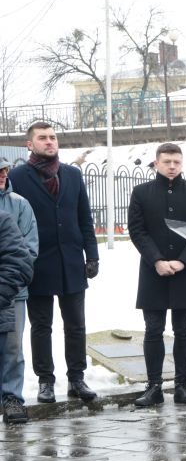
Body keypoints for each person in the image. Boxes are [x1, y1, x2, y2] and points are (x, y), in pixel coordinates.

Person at [9, 122, 99, 404]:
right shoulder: (18, 177)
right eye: (42, 138)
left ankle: (77, 379)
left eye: (52, 137)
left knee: (76, 325)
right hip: (37, 263)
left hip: (71, 260)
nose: (49, 142)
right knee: (41, 326)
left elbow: (84, 216)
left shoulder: (72, 174)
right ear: (30, 144)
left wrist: (92, 254)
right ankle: (45, 381)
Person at [127, 143, 186, 407]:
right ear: (157, 163)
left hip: (185, 272)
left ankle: (182, 386)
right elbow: (137, 230)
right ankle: (153, 387)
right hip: (153, 271)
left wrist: (183, 261)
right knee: (153, 330)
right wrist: (157, 260)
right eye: (167, 162)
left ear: (182, 162)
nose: (172, 166)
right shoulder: (142, 193)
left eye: (176, 161)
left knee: (183, 331)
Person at [0, 158, 38, 422]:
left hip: (12, 291)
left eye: (4, 169)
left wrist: (6, 284)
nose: (2, 174)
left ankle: (12, 397)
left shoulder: (19, 204)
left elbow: (27, 251)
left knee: (12, 349)